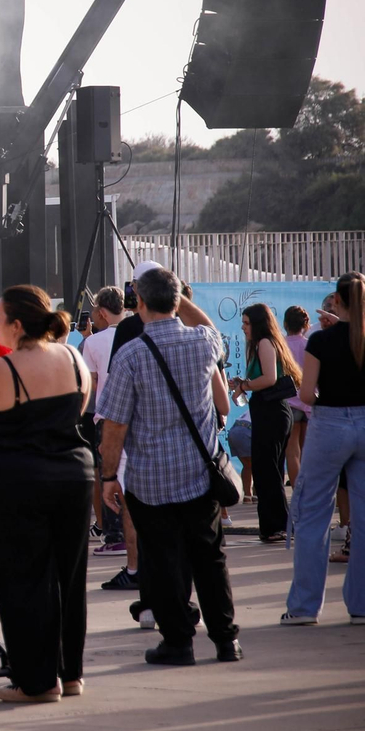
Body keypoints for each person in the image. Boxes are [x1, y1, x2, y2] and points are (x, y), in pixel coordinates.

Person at [97, 266, 241, 665]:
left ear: (138, 303)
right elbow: (208, 325)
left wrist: (109, 476)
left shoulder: (130, 355)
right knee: (210, 559)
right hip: (200, 473)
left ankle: (178, 642)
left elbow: (115, 426)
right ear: (178, 301)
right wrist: (179, 298)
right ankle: (226, 640)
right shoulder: (203, 343)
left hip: (150, 480)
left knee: (161, 563)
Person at [0, 286, 94, 702]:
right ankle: (69, 673)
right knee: (68, 578)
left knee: (22, 579)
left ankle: (36, 682)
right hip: (75, 476)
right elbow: (79, 408)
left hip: (18, 481)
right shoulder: (75, 357)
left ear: (17, 325)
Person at [282, 272, 365, 625]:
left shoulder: (322, 340)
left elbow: (305, 395)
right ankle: (361, 605)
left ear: (336, 301)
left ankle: (304, 607)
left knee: (313, 513)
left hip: (329, 422)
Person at [230, 304, 302, 543]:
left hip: (272, 413)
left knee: (268, 471)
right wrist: (243, 383)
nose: (243, 327)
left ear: (258, 323)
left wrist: (244, 386)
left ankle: (277, 526)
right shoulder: (262, 344)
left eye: (247, 323)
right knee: (268, 470)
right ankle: (275, 525)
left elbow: (269, 378)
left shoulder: (265, 343)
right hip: (268, 413)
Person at [81, 287, 128, 557]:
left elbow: (92, 382)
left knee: (108, 474)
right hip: (135, 414)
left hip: (106, 416)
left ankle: (115, 535)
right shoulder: (138, 330)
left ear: (100, 312)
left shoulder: (93, 342)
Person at [283, 306, 313, 491]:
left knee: (292, 452)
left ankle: (297, 493)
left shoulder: (281, 345)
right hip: (309, 401)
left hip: (289, 402)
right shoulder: (310, 344)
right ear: (306, 324)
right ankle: (309, 491)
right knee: (307, 452)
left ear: (285, 323)